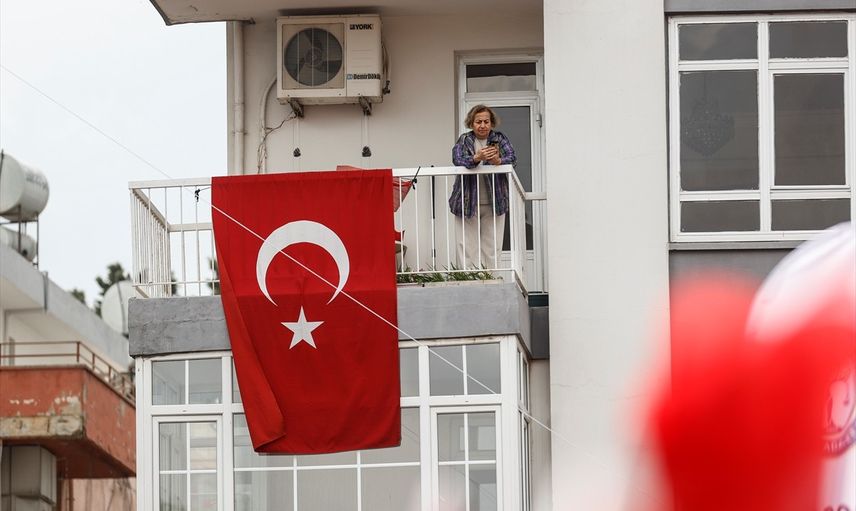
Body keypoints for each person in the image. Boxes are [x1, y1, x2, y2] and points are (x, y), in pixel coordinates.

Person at [449, 104, 517, 269]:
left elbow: (512, 158)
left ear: (491, 123)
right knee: (467, 246)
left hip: (495, 201)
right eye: (478, 122)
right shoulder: (465, 139)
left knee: (492, 245)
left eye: (486, 121)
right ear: (471, 123)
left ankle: (491, 278)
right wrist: (476, 158)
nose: (482, 125)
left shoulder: (499, 139)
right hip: (467, 201)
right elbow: (457, 159)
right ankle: (469, 279)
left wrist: (499, 161)